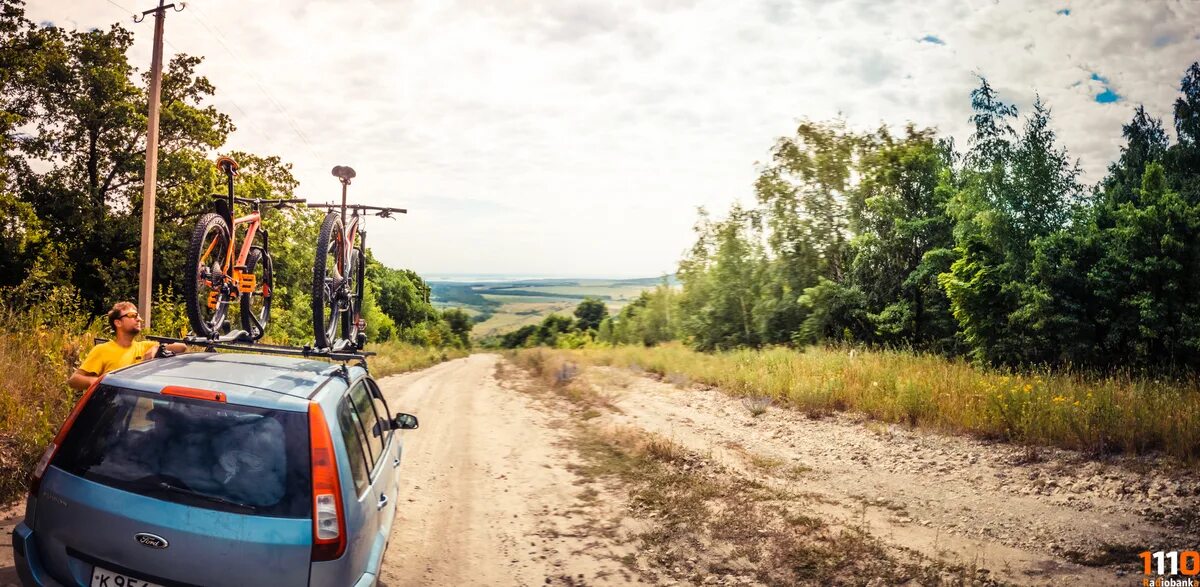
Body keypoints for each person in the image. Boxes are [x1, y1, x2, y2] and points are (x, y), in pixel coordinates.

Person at [67, 302, 188, 391]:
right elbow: (74, 381)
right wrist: (101, 382)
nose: (139, 319)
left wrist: (157, 348)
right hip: (115, 419)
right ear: (118, 322)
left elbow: (181, 347)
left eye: (138, 316)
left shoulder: (145, 346)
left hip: (145, 422)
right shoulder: (102, 350)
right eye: (132, 316)